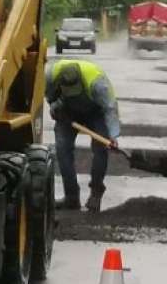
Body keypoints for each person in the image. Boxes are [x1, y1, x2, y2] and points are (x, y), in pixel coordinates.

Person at [46, 58, 120, 213]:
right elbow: (49, 97)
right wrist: (55, 108)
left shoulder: (98, 83)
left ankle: (95, 194)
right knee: (62, 148)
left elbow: (110, 108)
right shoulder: (51, 76)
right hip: (67, 110)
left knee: (101, 148)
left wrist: (112, 136)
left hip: (95, 111)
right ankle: (71, 197)